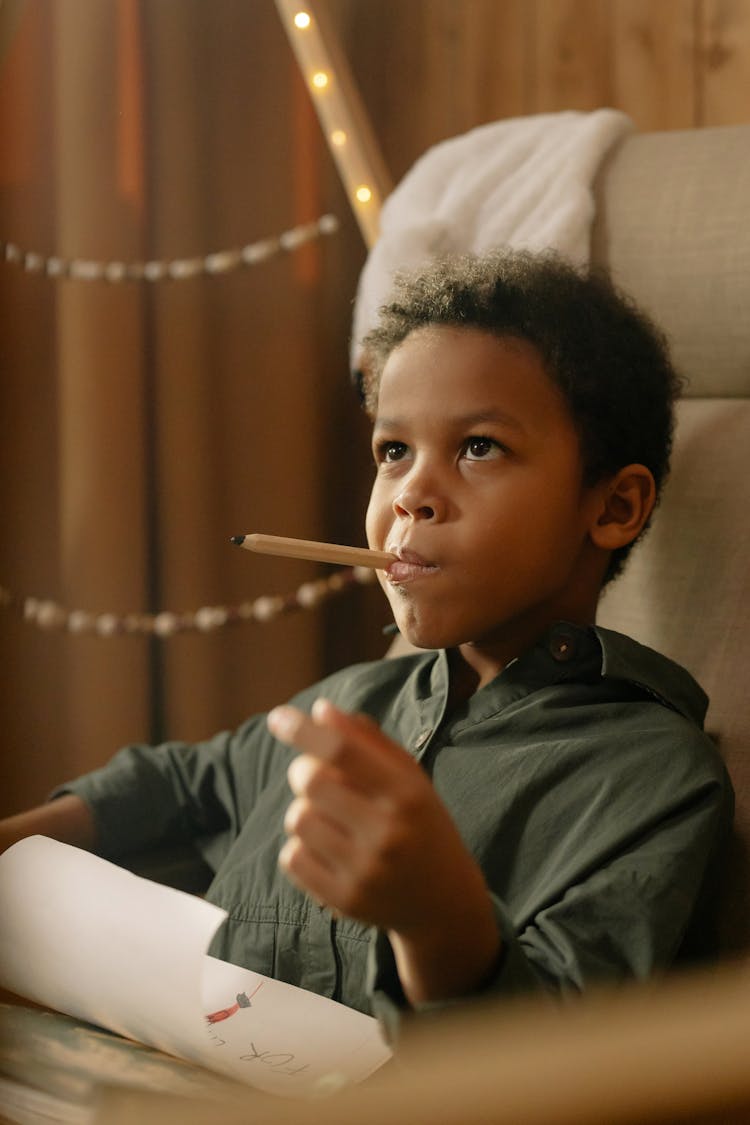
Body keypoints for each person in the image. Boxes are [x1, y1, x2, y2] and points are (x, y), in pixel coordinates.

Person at [0, 249, 733, 1040]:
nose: (411, 492)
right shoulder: (345, 707)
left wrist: (439, 919)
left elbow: (554, 1063)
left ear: (614, 504)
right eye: (393, 451)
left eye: (479, 446)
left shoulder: (652, 776)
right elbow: (174, 783)